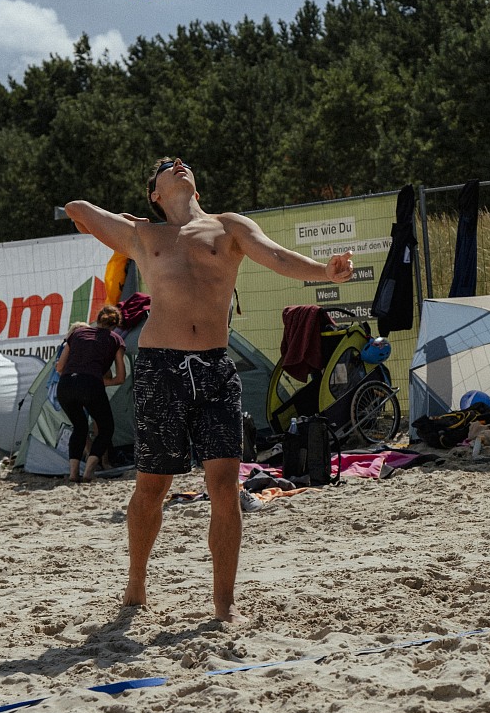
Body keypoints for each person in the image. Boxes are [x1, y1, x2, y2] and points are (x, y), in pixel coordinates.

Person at [65, 157, 353, 622]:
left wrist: (326, 272)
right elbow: (77, 207)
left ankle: (224, 603)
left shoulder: (229, 226)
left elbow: (277, 256)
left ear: (196, 187)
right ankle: (136, 581)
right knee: (152, 487)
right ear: (155, 194)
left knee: (223, 486)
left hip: (216, 368)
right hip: (161, 369)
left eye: (183, 162)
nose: (178, 164)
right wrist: (114, 220)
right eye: (166, 166)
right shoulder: (143, 235)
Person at [55, 305, 127, 482]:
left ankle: (73, 474)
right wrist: (99, 381)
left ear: (98, 319)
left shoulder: (77, 333)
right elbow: (120, 378)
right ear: (115, 325)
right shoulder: (116, 339)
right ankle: (88, 472)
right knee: (106, 428)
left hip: (65, 385)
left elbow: (60, 367)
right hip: (90, 385)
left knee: (79, 427)